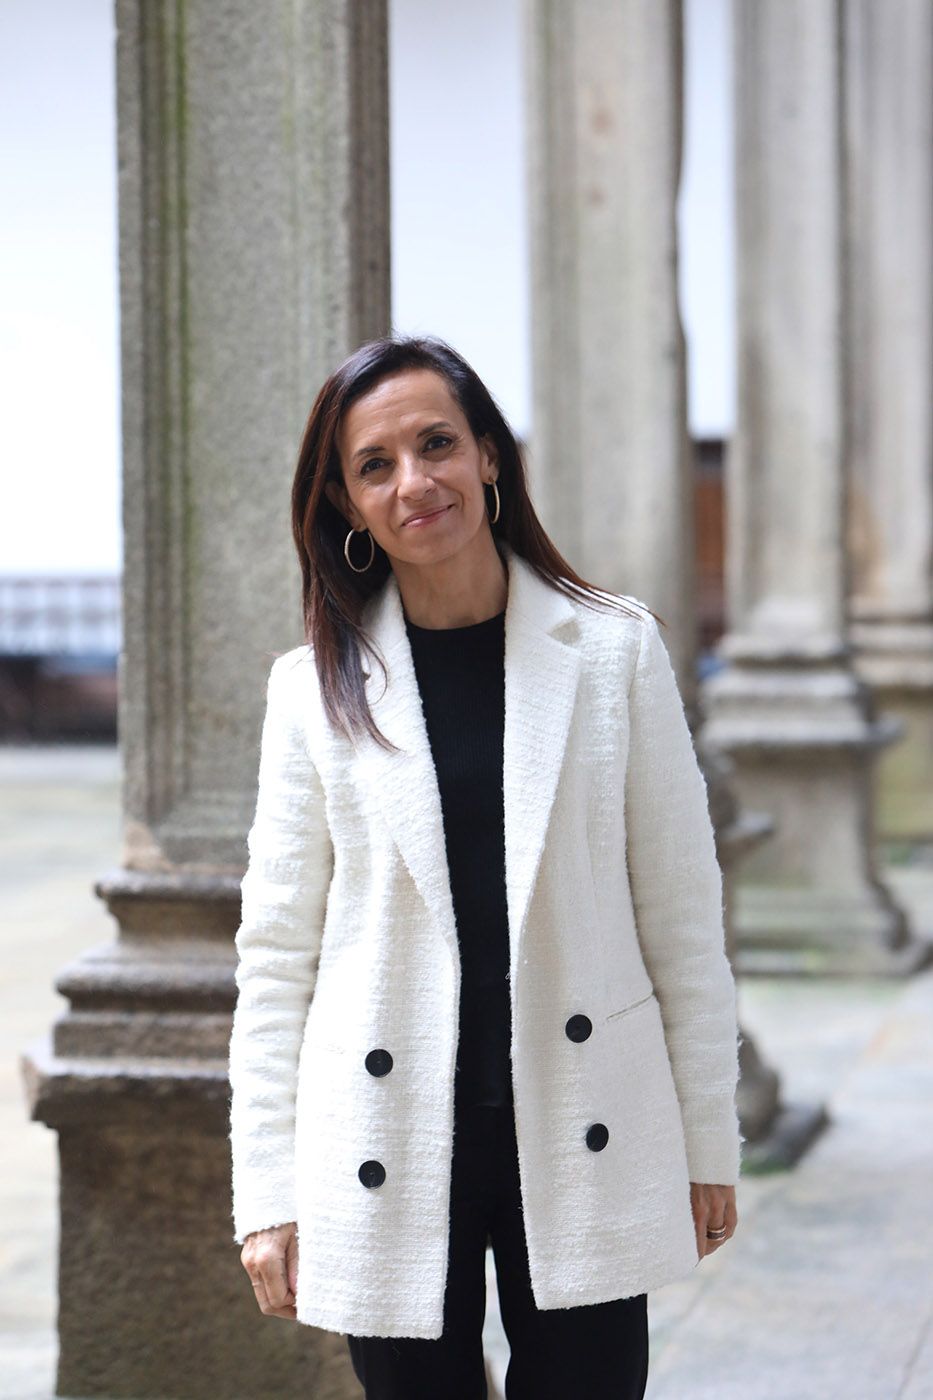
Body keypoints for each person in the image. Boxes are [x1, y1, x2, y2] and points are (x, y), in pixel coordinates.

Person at [228, 334, 742, 1399]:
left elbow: (685, 921)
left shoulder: (614, 650)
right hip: (388, 1127)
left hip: (585, 1109)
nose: (415, 481)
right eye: (376, 465)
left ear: (490, 457)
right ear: (347, 500)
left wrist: (709, 1142)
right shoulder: (311, 689)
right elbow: (276, 957)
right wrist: (267, 1189)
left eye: (437, 443)